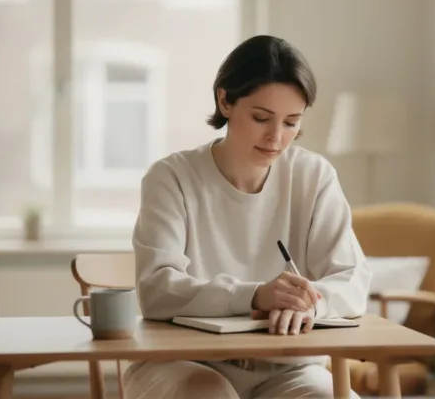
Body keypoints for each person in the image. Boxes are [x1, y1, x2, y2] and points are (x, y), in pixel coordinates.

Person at [124, 34, 372, 399]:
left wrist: (308, 301)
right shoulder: (171, 177)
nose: (276, 137)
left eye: (291, 122)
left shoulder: (314, 176)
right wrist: (255, 296)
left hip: (288, 369)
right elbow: (158, 290)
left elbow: (353, 280)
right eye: (261, 118)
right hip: (183, 364)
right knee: (209, 393)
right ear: (225, 100)